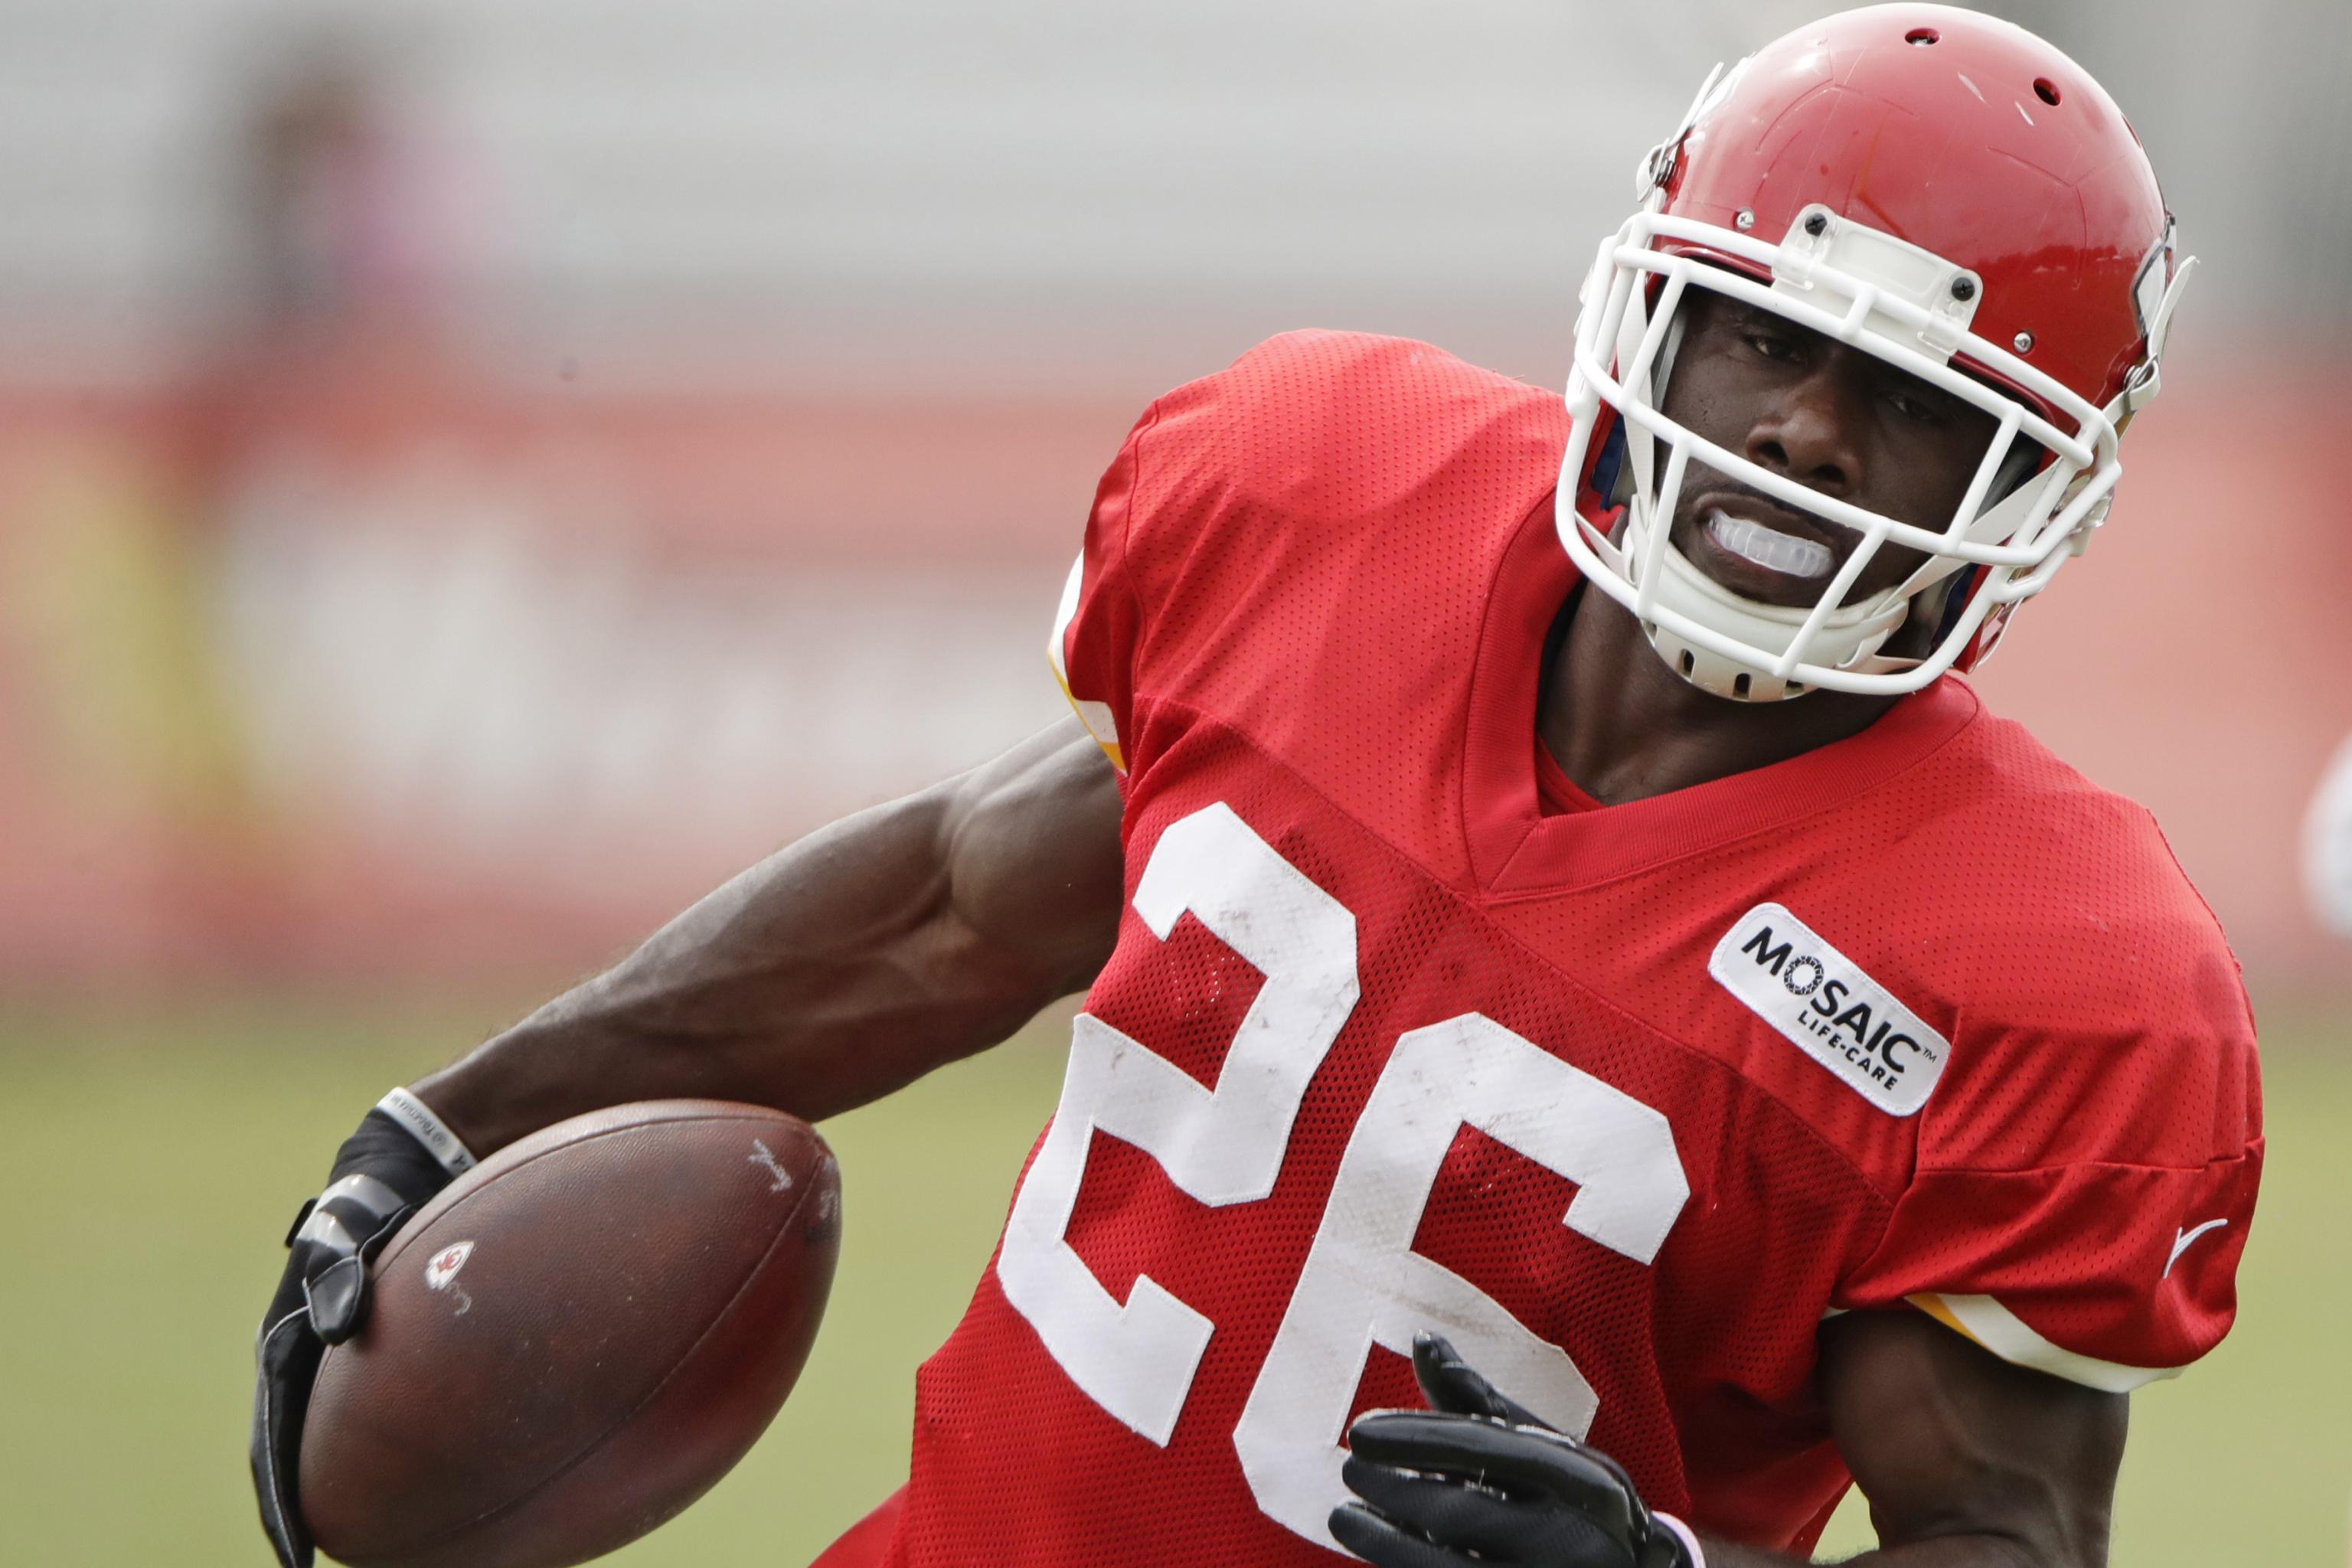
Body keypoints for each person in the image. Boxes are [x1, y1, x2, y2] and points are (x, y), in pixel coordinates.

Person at [250, 8, 2262, 1567]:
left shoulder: (2048, 970)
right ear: (1652, 302)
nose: (1806, 437)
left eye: (1913, 405)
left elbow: (2004, 1529)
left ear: (2032, 491)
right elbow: (956, 906)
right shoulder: (1320, 489)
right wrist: (451, 1122)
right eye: (1762, 340)